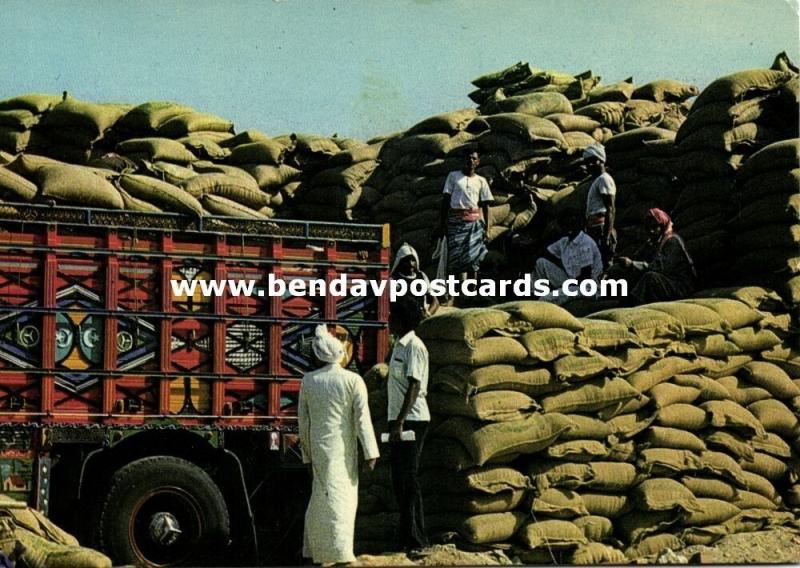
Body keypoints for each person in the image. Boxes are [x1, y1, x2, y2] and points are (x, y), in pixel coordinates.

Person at [299, 325, 379, 566]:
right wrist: (370, 452)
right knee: (343, 500)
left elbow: (303, 422)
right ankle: (342, 553)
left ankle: (317, 551)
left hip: (319, 449)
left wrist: (307, 454)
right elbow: (362, 419)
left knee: (320, 499)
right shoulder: (353, 380)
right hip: (343, 449)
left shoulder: (309, 381)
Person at [387, 297, 430, 554]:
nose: (389, 320)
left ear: (403, 320)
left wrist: (400, 422)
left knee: (409, 479)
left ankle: (418, 540)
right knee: (399, 480)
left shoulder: (414, 346)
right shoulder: (398, 347)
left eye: (393, 316)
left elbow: (414, 386)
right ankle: (405, 536)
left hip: (412, 419)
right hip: (399, 420)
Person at [616, 208, 697, 304]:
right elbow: (638, 257)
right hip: (667, 283)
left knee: (650, 278)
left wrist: (632, 264)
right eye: (648, 228)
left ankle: (630, 304)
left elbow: (659, 268)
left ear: (662, 226)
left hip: (680, 285)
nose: (651, 231)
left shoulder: (672, 241)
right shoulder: (653, 243)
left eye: (655, 227)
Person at [437, 151, 494, 283]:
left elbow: (486, 206)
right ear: (463, 160)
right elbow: (445, 201)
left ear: (478, 162)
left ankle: (471, 290)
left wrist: (488, 229)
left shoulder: (481, 181)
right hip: (455, 222)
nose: (471, 161)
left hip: (474, 224)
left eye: (474, 159)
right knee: (456, 258)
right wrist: (442, 223)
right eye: (468, 158)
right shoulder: (453, 176)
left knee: (473, 257)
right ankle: (457, 291)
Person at [534, 208, 603, 304]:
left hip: (587, 287)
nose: (568, 228)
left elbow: (585, 277)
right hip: (572, 281)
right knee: (541, 262)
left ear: (579, 224)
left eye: (572, 224)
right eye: (565, 225)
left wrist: (566, 286)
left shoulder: (585, 243)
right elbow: (545, 252)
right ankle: (534, 293)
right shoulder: (565, 241)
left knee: (545, 299)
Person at [582, 143, 617, 266]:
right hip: (594, 229)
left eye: (593, 161)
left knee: (604, 263)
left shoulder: (604, 179)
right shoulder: (596, 181)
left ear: (601, 160)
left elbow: (610, 208)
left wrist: (607, 236)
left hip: (601, 228)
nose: (589, 165)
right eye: (587, 162)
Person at [390, 243, 439, 316]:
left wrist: (428, 314)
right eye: (406, 260)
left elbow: (435, 301)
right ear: (399, 262)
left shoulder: (422, 276)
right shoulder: (394, 279)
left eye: (413, 260)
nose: (410, 263)